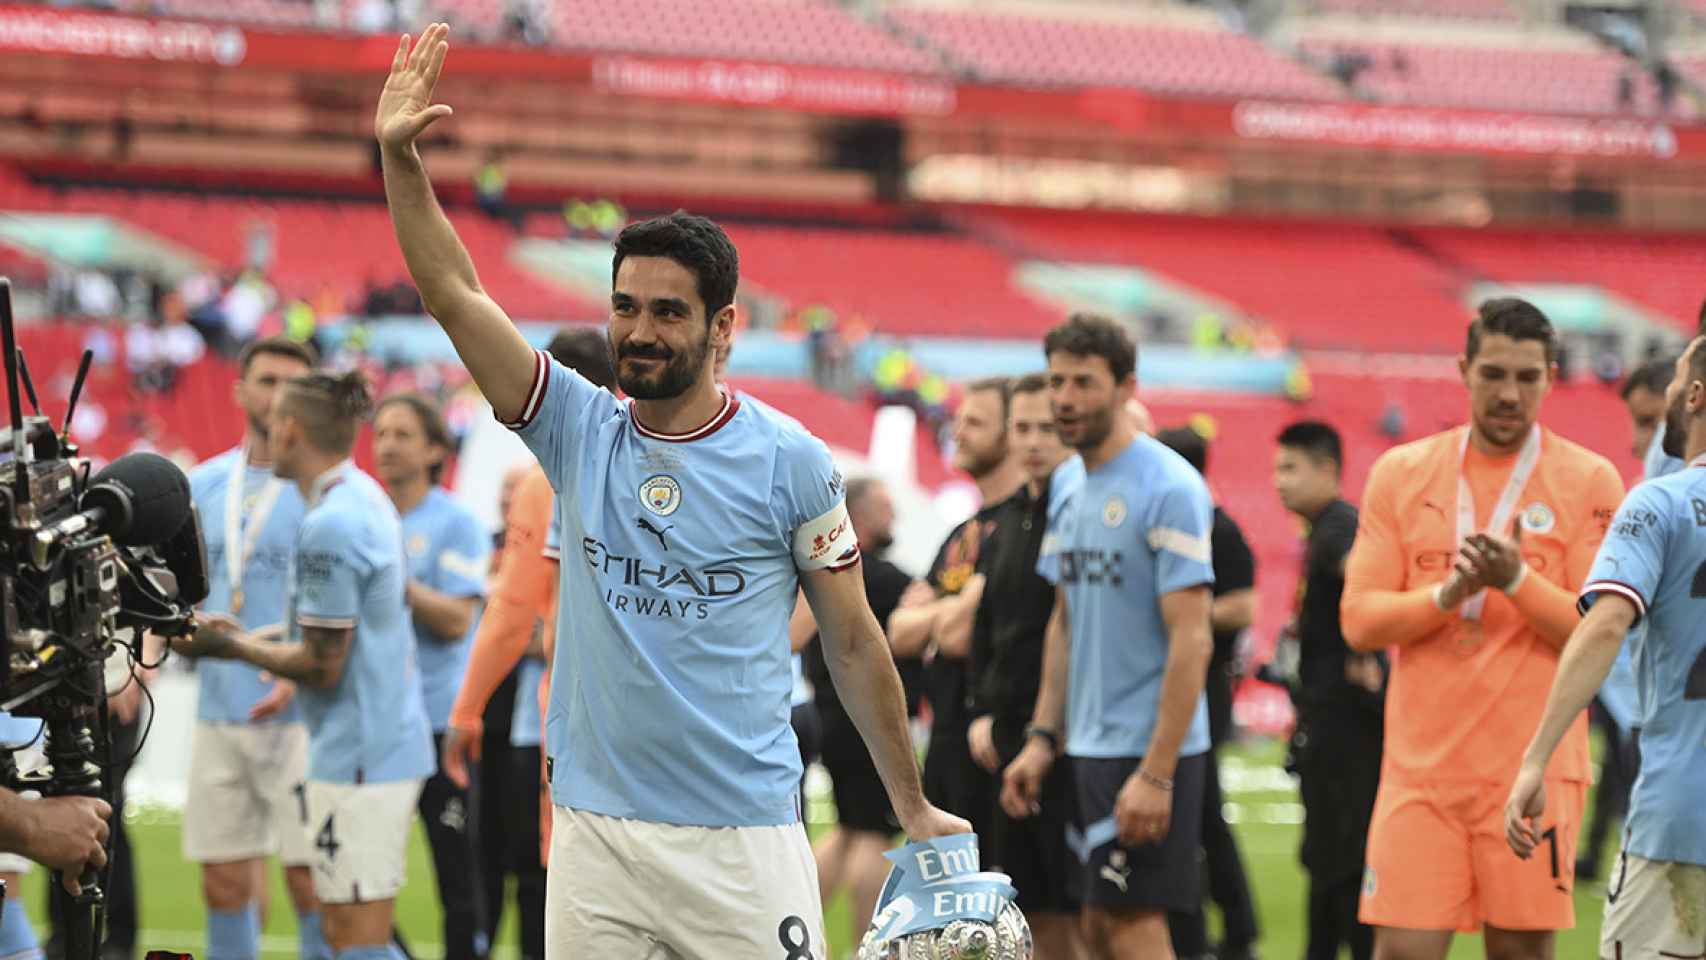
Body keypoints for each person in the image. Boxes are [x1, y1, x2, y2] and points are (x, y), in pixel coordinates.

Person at [377, 28, 965, 957]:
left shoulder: (792, 460)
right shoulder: (575, 430)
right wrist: (399, 159)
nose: (638, 331)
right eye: (624, 307)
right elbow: (452, 290)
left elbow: (853, 642)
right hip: (595, 833)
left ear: (723, 326)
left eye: (667, 312)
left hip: (743, 837)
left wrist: (912, 803)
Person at [1340, 298, 1624, 960]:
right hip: (1421, 773)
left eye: (1527, 377)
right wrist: (1448, 593)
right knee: (1402, 953)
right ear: (1464, 370)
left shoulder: (1589, 481)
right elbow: (1359, 620)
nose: (1509, 393)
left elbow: (1596, 633)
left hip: (1535, 769)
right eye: (1493, 373)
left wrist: (1516, 581)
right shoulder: (1402, 473)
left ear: (1551, 377)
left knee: (1521, 953)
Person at [173, 370, 436, 960]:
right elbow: (341, 631)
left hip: (363, 754)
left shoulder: (330, 523)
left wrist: (230, 647)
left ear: (289, 430)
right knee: (346, 930)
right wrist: (263, 637)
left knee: (355, 936)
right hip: (376, 743)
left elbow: (322, 665)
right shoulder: (361, 497)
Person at [1003, 313, 1215, 960]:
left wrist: (1156, 773)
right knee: (1095, 925)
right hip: (1087, 747)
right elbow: (1065, 622)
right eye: (1057, 381)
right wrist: (1043, 738)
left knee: (1131, 925)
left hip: (1148, 750)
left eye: (1084, 383)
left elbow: (1193, 639)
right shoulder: (1067, 484)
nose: (1065, 398)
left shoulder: (1170, 486)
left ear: (1126, 387)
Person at [1506, 334, 1706, 960]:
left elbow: (1604, 623)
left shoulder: (1659, 503)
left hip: (1681, 820)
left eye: (1674, 382)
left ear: (1695, 396)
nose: (1668, 392)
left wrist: (1536, 758)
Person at [441, 328, 616, 960]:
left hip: (572, 728)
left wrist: (464, 712)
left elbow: (511, 610)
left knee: (558, 893)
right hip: (665, 736)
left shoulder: (550, 477)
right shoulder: (670, 460)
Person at [180, 336, 325, 960]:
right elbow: (168, 596)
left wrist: (308, 664)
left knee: (312, 883)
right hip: (220, 709)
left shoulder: (328, 491)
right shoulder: (200, 485)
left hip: (307, 720)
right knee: (224, 884)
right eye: (266, 381)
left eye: (292, 385)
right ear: (240, 391)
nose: (277, 397)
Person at [964, 374, 1084, 959]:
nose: (1034, 441)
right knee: (1024, 906)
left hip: (1066, 734)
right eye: (1023, 428)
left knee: (1075, 910)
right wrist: (982, 711)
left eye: (1048, 428)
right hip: (1008, 732)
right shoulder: (1006, 521)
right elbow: (988, 630)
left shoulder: (1077, 513)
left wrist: (1048, 730)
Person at [372, 393, 491, 960]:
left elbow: (455, 619)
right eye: (381, 433)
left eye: (402, 434)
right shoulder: (364, 516)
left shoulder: (456, 521)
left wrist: (392, 577)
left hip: (441, 721)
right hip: (376, 720)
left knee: (456, 875)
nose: (387, 445)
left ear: (435, 451)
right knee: (363, 873)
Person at [890, 377, 1021, 831]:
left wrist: (938, 615)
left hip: (994, 743)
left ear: (1013, 433)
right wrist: (957, 605)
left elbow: (956, 636)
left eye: (975, 422)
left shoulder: (1019, 530)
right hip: (947, 740)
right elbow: (900, 633)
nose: (957, 432)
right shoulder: (963, 534)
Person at [1272, 420, 1381, 960]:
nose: (1278, 481)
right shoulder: (1324, 529)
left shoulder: (1339, 527)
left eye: (1290, 467)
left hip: (1343, 725)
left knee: (1340, 859)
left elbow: (1362, 574)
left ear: (1328, 470)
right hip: (1332, 718)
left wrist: (1365, 649)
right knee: (1330, 858)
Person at [1155, 425, 1260, 960]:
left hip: (1205, 685)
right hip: (1184, 680)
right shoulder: (1190, 524)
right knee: (1198, 809)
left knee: (1201, 808)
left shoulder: (1219, 530)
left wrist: (1179, 613)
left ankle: (1236, 926)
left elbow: (1243, 607)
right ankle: (1230, 925)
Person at [802, 478, 916, 950]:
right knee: (875, 836)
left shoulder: (818, 570)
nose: (895, 519)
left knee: (848, 831)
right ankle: (865, 946)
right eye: (887, 509)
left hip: (828, 715)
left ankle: (795, 929)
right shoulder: (880, 578)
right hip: (862, 720)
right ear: (860, 517)